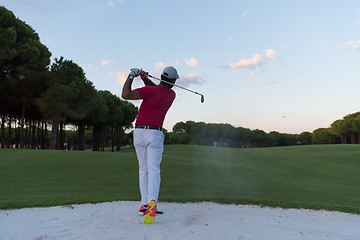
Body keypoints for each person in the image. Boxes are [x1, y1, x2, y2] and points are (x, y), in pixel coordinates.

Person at [121, 66, 179, 224]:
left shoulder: (149, 92)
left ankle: (144, 206)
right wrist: (145, 78)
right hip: (155, 134)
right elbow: (159, 89)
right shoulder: (171, 95)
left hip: (139, 133)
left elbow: (125, 95)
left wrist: (131, 76)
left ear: (161, 77)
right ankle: (152, 202)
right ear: (173, 82)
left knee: (143, 170)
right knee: (154, 170)